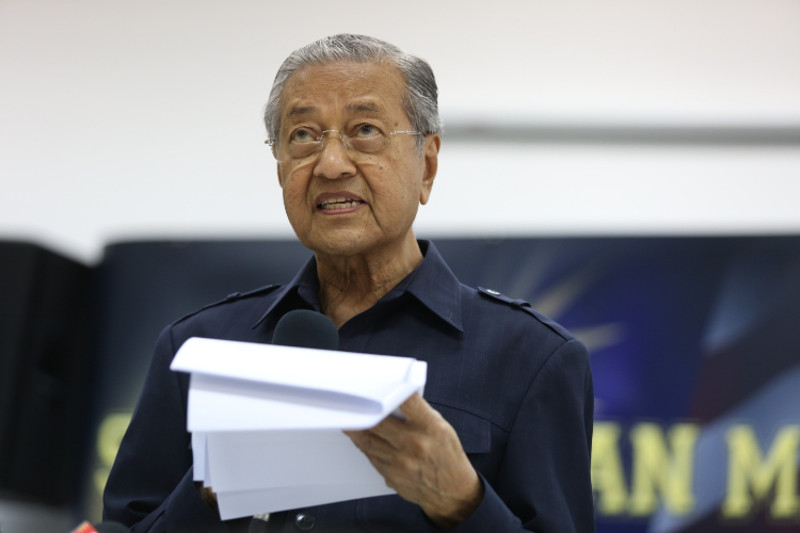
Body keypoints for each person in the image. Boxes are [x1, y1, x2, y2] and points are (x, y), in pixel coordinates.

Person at [103, 34, 595, 532]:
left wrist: (463, 502)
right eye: (303, 136)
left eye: (365, 130)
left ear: (427, 165)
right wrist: (209, 489)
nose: (331, 164)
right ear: (279, 168)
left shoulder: (533, 358)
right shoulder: (196, 350)